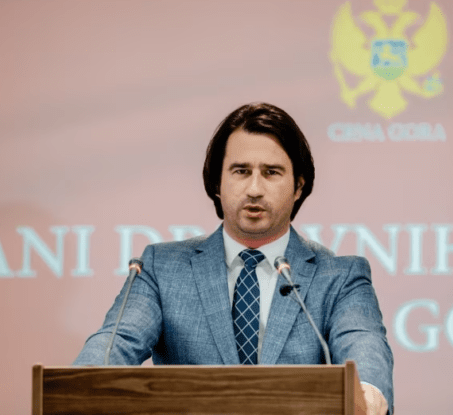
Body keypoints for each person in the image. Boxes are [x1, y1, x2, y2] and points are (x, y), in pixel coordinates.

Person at [74, 102, 394, 414]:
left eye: (271, 172)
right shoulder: (161, 268)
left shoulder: (340, 277)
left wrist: (367, 394)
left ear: (298, 186)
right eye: (241, 171)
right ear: (217, 182)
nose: (254, 189)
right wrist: (78, 388)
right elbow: (116, 343)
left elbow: (363, 344)